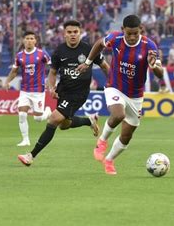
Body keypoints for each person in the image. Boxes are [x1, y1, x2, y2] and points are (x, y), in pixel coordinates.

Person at [77, 14, 164, 175]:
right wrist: (87, 63)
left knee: (127, 135)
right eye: (128, 33)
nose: (131, 37)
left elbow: (160, 74)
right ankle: (102, 141)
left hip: (136, 96)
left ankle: (109, 160)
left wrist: (153, 66)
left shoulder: (149, 46)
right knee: (118, 114)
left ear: (141, 31)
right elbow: (98, 44)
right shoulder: (115, 39)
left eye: (135, 34)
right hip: (114, 86)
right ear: (122, 30)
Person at [17, 20, 110, 166]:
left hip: (79, 93)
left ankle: (31, 155)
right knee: (64, 125)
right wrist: (52, 88)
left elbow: (104, 66)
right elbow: (53, 72)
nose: (72, 35)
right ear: (64, 34)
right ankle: (89, 120)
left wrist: (114, 83)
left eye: (75, 32)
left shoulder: (89, 49)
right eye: (69, 32)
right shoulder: (59, 51)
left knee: (53, 119)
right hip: (63, 91)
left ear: (80, 33)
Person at [4, 31, 52, 146]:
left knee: (38, 119)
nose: (29, 40)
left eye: (32, 38)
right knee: (22, 114)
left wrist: (50, 81)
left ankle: (48, 111)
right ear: (23, 40)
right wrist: (7, 81)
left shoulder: (42, 54)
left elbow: (52, 67)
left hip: (38, 91)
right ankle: (25, 140)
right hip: (25, 90)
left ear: (35, 41)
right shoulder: (19, 56)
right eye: (27, 38)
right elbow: (14, 71)